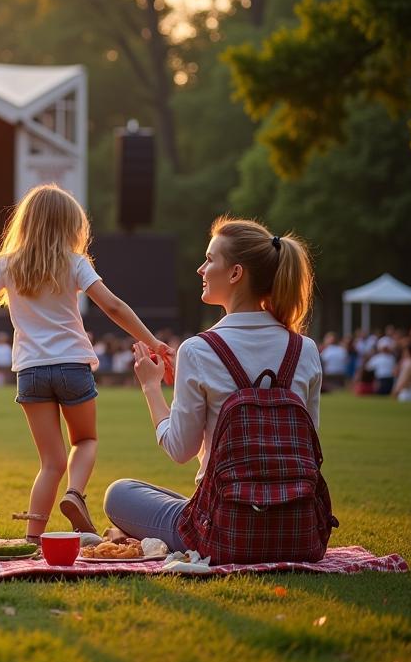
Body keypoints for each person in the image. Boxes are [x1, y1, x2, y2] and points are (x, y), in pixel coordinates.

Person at [0, 184, 171, 543]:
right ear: (71, 227)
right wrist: (152, 341)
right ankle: (75, 494)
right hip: (72, 366)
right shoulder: (75, 264)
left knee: (50, 462)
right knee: (85, 440)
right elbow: (114, 306)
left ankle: (32, 539)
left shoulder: (7, 265)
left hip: (31, 372)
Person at [106, 217, 322, 552]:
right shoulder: (304, 349)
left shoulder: (199, 349)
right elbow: (310, 446)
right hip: (298, 528)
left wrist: (151, 386)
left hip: (224, 531)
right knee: (178, 500)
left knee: (120, 494)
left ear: (235, 273)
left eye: (209, 259)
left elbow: (180, 449)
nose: (200, 269)